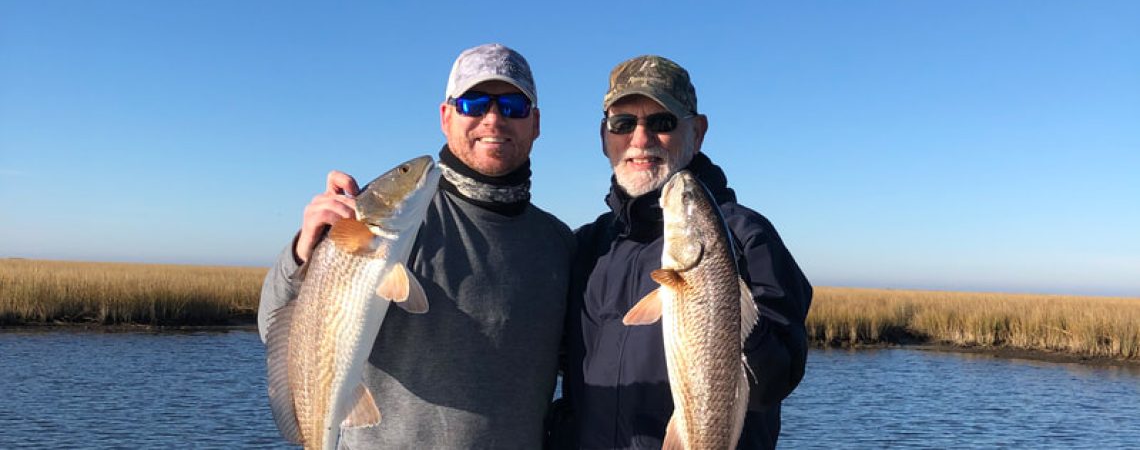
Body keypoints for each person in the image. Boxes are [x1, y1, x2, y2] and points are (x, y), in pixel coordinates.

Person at [259, 43, 575, 449]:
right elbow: (273, 325)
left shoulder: (560, 243)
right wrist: (306, 252)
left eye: (513, 105)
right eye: (474, 103)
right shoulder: (386, 224)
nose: (493, 119)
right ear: (446, 117)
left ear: (535, 123)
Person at [550, 55, 813, 449]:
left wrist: (727, 311)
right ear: (604, 136)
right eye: (623, 123)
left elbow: (773, 383)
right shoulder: (584, 246)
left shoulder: (748, 237)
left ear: (698, 132)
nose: (641, 140)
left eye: (662, 122)